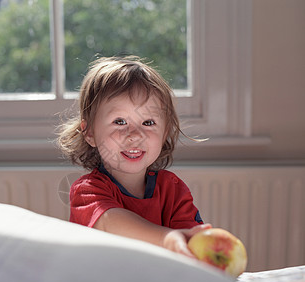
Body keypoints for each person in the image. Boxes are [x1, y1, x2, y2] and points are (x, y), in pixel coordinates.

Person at [57, 56, 211, 257]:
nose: (136, 135)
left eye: (148, 123)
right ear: (90, 133)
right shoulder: (86, 191)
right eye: (120, 121)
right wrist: (167, 238)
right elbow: (109, 222)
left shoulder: (172, 189)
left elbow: (189, 242)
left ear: (164, 134)